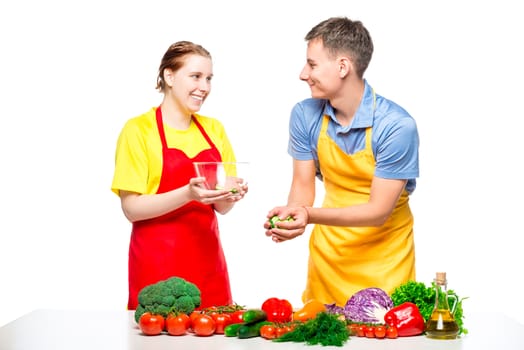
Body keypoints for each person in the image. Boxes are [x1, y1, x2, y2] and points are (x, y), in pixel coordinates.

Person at [264, 17, 419, 307]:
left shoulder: (397, 126)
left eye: (312, 64)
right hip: (329, 259)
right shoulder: (305, 115)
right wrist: (290, 217)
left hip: (386, 262)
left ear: (343, 67)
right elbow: (302, 185)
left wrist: (308, 216)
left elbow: (378, 212)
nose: (302, 74)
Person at [111, 41, 248, 310]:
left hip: (209, 267)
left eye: (209, 78)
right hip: (157, 270)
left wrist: (231, 194)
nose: (205, 87)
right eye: (195, 76)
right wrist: (187, 193)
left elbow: (222, 208)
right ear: (169, 76)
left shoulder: (214, 129)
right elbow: (131, 209)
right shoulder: (139, 130)